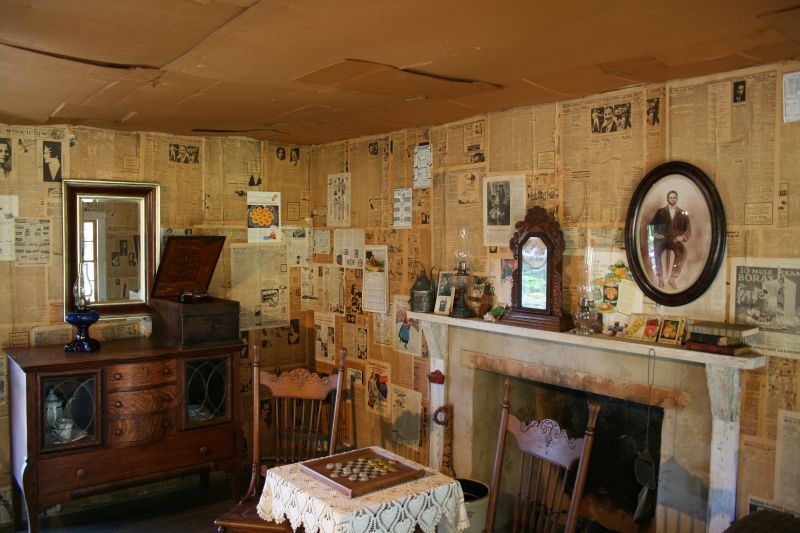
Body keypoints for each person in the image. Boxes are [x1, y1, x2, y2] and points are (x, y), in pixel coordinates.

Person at [648, 190, 691, 289]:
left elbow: (688, 229)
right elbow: (651, 225)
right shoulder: (660, 211)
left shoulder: (682, 213)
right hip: (662, 238)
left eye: (674, 197)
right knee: (655, 250)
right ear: (667, 199)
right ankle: (660, 278)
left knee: (683, 251)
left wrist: (682, 236)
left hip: (675, 239)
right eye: (670, 198)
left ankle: (672, 278)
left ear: (677, 199)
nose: (672, 199)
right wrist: (655, 235)